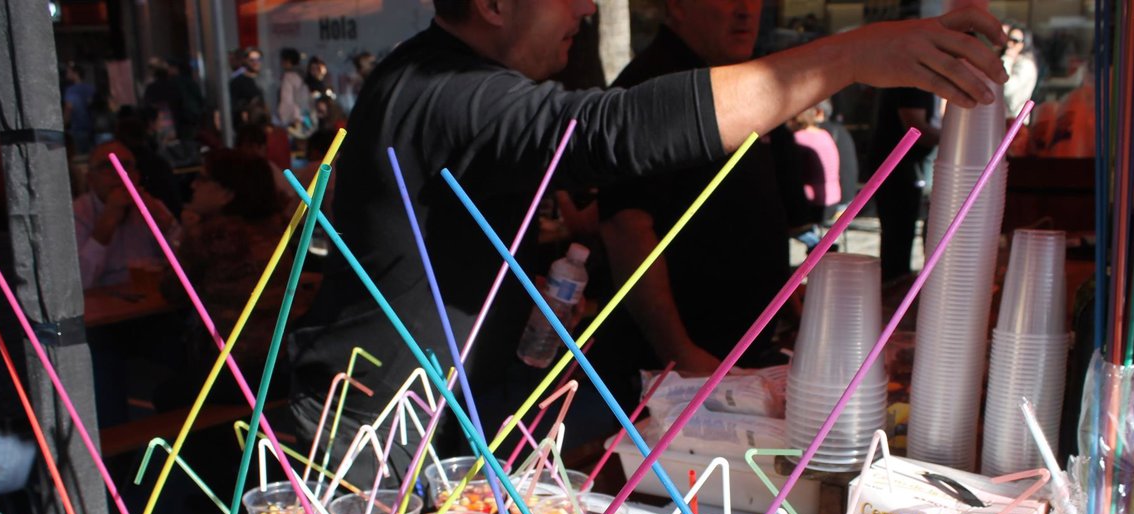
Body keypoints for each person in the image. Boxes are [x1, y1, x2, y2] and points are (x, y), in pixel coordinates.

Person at [286, 0, 1008, 476]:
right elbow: (610, 132)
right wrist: (848, 59)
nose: (587, 8)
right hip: (370, 441)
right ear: (495, 4)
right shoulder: (443, 88)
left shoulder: (446, 82)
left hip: (441, 418)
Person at [593, 0, 805, 393]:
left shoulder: (738, 80)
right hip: (677, 375)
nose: (746, 9)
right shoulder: (653, 86)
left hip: (742, 354)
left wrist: (790, 303)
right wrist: (679, 354)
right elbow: (626, 227)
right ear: (676, 6)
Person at [156, 149, 292, 407]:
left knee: (165, 394)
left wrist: (185, 232)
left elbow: (172, 290)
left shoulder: (212, 236)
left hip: (233, 368)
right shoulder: (279, 228)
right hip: (281, 363)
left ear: (227, 193)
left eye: (203, 178)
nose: (193, 185)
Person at [72, 141, 178, 289]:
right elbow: (78, 284)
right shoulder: (77, 214)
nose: (118, 173)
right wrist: (106, 224)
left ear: (137, 176)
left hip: (152, 297)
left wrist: (166, 224)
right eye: (107, 167)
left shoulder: (153, 206)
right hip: (104, 301)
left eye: (126, 166)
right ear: (90, 179)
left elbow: (188, 266)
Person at [869, 85, 940, 282]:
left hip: (902, 166)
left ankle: (896, 281)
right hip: (897, 167)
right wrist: (954, 137)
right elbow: (915, 128)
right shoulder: (914, 84)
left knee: (901, 232)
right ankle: (894, 284)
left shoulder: (918, 84)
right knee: (898, 232)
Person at [1001, 21, 1038, 120]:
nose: (1009, 44)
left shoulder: (1025, 64)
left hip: (1016, 120)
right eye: (1008, 39)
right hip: (1005, 118)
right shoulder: (1015, 60)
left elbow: (1007, 89)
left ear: (1024, 43)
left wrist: (1007, 59)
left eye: (1015, 41)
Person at [276, 48, 312, 138]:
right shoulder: (302, 75)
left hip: (293, 120)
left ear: (287, 61)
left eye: (282, 60)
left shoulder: (288, 77)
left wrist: (284, 119)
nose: (281, 63)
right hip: (305, 118)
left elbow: (286, 100)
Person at [62, 63, 96, 154]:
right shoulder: (91, 88)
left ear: (76, 73)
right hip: (92, 128)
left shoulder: (71, 90)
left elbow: (69, 108)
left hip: (78, 128)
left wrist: (64, 124)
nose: (66, 74)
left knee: (80, 155)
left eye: (69, 72)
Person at [229, 47, 266, 127]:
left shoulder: (266, 79)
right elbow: (233, 106)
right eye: (252, 60)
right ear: (245, 61)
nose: (256, 63)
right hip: (247, 126)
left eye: (258, 59)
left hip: (266, 124)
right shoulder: (237, 82)